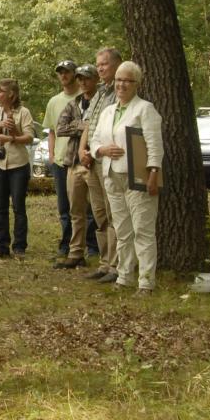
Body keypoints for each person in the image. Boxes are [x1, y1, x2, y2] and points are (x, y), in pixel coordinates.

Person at [89, 61, 164, 294]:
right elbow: (95, 141)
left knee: (143, 229)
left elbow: (154, 145)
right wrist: (102, 151)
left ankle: (146, 281)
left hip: (137, 177)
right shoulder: (108, 111)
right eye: (119, 80)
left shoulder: (145, 109)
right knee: (122, 230)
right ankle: (124, 276)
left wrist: (154, 172)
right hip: (111, 175)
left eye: (127, 80)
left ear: (136, 84)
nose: (122, 84)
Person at [77, 47, 122, 281]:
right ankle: (104, 263)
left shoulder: (119, 91)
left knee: (114, 212)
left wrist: (96, 151)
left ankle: (116, 265)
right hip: (91, 160)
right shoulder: (99, 93)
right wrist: (82, 150)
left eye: (104, 64)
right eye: (98, 64)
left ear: (116, 64)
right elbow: (88, 125)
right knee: (99, 213)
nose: (100, 68)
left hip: (109, 161)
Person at [53, 64, 103, 269]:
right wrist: (83, 126)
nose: (83, 82)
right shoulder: (74, 103)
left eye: (87, 79)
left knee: (100, 212)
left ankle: (107, 256)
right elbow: (60, 128)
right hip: (74, 162)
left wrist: (87, 128)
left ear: (95, 80)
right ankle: (76, 253)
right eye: (80, 79)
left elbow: (102, 128)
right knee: (76, 210)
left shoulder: (102, 102)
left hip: (96, 162)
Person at [0, 78, 36, 259]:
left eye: (0, 91)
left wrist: (13, 136)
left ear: (11, 95)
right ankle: (1, 246)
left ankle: (19, 246)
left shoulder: (24, 112)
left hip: (18, 165)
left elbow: (29, 138)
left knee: (18, 206)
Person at [43, 60, 81, 260]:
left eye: (67, 72)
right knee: (64, 207)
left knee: (84, 205)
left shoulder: (84, 97)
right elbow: (51, 131)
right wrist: (51, 156)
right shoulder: (54, 101)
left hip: (79, 159)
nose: (64, 75)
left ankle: (89, 245)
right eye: (60, 73)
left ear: (75, 74)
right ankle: (65, 244)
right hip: (59, 161)